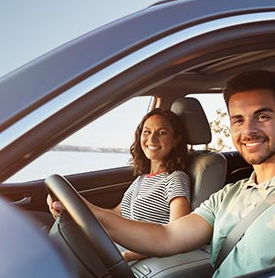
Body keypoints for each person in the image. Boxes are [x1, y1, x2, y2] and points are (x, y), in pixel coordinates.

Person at [49, 70, 275, 278]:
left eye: (262, 116)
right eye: (238, 119)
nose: (248, 130)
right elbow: (167, 237)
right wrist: (84, 210)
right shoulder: (232, 193)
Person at [49, 108, 191, 261]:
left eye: (162, 132)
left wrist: (127, 256)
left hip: (135, 256)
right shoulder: (142, 179)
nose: (152, 139)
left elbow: (178, 234)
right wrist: (73, 210)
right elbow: (116, 214)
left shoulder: (175, 179)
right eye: (147, 132)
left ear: (176, 139)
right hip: (117, 247)